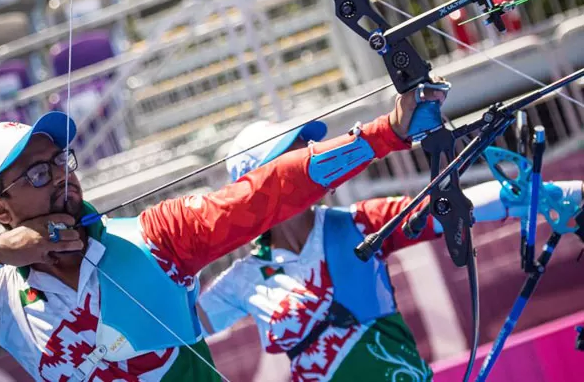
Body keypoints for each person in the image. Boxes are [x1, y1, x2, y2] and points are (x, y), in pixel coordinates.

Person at [0, 89, 439, 382]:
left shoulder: (156, 236)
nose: (61, 178)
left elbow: (260, 195)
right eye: (37, 174)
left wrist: (383, 132)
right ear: (0, 208)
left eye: (63, 162)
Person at [197, 120, 584, 382]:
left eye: (308, 154)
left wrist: (560, 195)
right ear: (265, 184)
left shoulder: (359, 224)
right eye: (298, 158)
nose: (315, 162)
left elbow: (454, 207)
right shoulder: (245, 278)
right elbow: (171, 332)